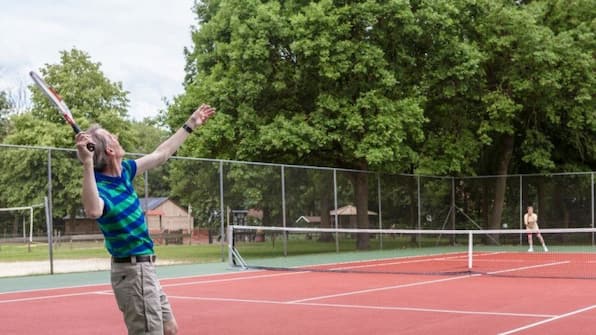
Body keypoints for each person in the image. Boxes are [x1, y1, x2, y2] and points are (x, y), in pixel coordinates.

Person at [75, 104, 215, 335]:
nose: (117, 136)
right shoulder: (101, 188)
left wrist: (190, 124)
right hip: (133, 272)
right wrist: (87, 163)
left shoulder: (125, 172)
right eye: (112, 136)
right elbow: (93, 210)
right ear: (110, 150)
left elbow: (161, 154)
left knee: (169, 329)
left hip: (144, 269)